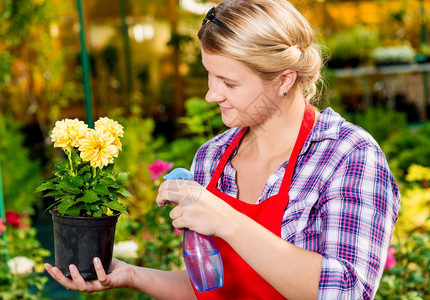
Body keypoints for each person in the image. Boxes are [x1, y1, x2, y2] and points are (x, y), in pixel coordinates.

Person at [44, 0, 400, 299]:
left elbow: (348, 290)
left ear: (284, 80)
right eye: (209, 75)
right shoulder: (213, 157)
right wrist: (131, 275)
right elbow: (211, 286)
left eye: (229, 82)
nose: (211, 95)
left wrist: (228, 220)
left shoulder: (348, 156)